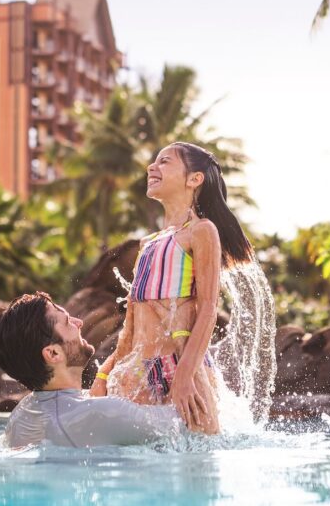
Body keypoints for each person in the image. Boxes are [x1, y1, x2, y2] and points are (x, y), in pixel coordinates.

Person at [90, 142, 255, 434]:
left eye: (164, 162)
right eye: (154, 162)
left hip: (181, 365)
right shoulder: (148, 243)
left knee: (200, 462)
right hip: (138, 369)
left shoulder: (202, 231)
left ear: (194, 179)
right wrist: (106, 370)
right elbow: (132, 318)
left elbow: (207, 309)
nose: (152, 167)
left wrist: (184, 375)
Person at [0, 292, 183, 448]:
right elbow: (192, 425)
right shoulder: (103, 414)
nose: (79, 322)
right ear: (53, 354)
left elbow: (87, 404)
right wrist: (182, 333)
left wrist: (131, 327)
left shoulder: (21, 415)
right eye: (67, 322)